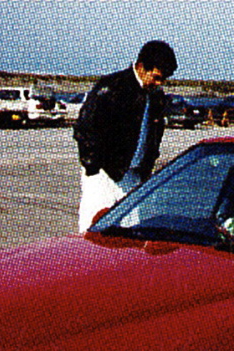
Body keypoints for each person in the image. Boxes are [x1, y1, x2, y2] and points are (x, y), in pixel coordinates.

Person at [73, 40, 178, 232]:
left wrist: (146, 167)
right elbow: (85, 130)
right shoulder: (110, 89)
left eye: (163, 79)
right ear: (140, 66)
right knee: (95, 233)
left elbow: (153, 135)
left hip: (133, 176)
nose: (159, 84)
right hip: (104, 175)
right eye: (156, 77)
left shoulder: (155, 97)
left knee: (131, 235)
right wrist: (93, 166)